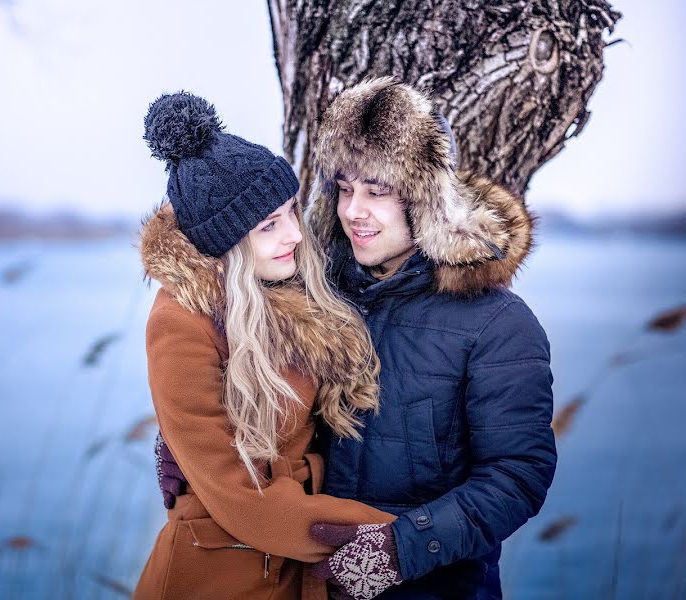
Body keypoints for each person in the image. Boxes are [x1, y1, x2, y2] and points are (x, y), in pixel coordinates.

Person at [158, 77, 557, 600]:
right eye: (345, 189)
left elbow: (517, 473)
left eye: (377, 191)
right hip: (308, 585)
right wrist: (189, 438)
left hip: (430, 588)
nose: (353, 211)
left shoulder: (496, 323)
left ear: (424, 199)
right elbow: (243, 377)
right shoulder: (312, 294)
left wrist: (403, 550)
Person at [134, 91, 402, 600]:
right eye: (269, 225)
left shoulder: (290, 292)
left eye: (291, 213)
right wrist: (393, 537)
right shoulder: (180, 322)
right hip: (217, 573)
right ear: (227, 243)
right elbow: (237, 495)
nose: (296, 235)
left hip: (293, 566)